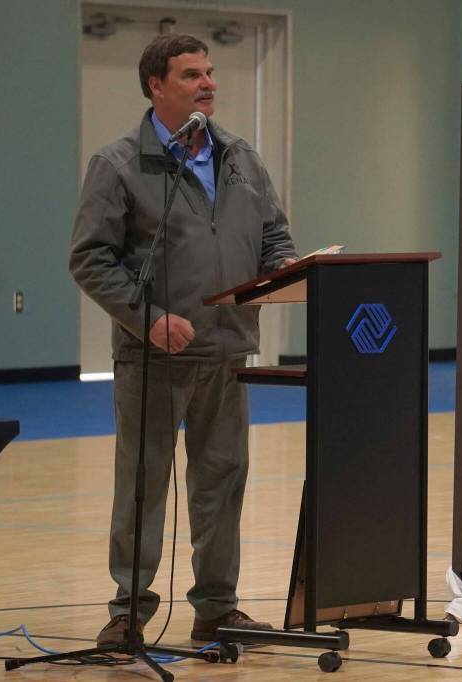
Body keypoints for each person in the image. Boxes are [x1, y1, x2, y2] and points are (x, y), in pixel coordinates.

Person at [69, 33, 297, 645]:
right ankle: (129, 612)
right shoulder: (119, 164)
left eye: (210, 72)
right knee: (143, 486)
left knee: (222, 485)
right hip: (155, 356)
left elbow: (274, 236)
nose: (208, 83)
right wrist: (147, 318)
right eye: (192, 74)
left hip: (227, 353)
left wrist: (288, 274)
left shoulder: (241, 157)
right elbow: (92, 259)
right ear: (156, 86)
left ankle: (217, 609)